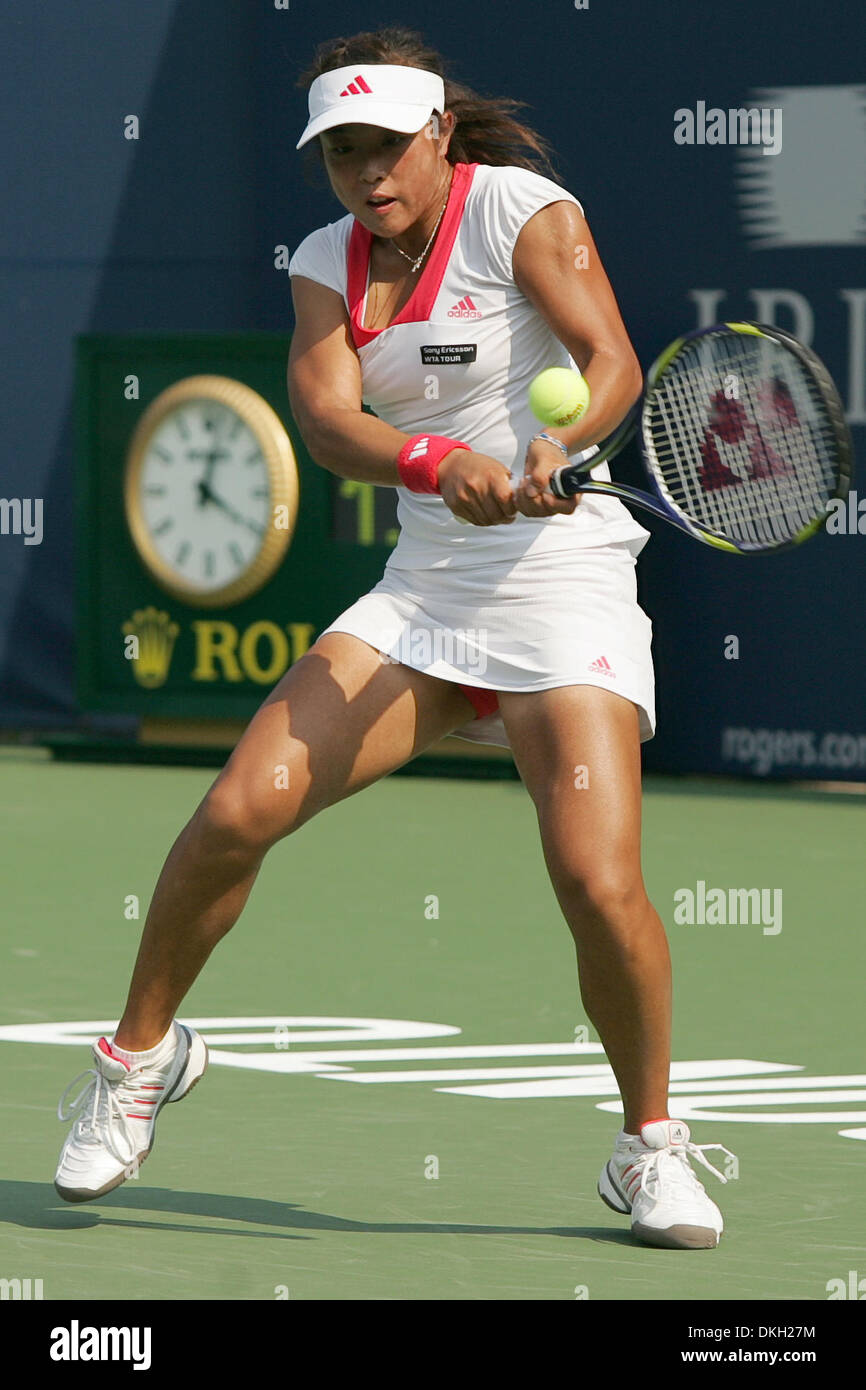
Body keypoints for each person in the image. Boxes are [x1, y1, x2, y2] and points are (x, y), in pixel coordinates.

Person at [54, 25, 734, 1250]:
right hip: (423, 596)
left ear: (435, 135)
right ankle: (137, 1059)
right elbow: (324, 421)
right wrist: (436, 457)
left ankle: (649, 1149)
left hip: (561, 580)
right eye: (339, 152)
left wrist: (549, 449)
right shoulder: (325, 259)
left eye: (383, 146)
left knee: (596, 878)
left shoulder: (521, 209)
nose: (365, 174)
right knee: (237, 808)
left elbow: (610, 359)